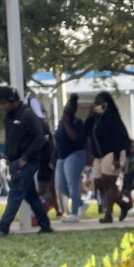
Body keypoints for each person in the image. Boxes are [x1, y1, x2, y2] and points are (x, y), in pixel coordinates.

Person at [0, 85, 53, 236]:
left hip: (27, 161)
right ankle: (45, 224)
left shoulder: (27, 115)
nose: (2, 106)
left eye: (4, 103)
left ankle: (3, 227)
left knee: (15, 194)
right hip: (15, 161)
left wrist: (26, 157)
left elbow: (39, 139)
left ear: (12, 100)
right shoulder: (9, 117)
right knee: (30, 195)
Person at [89, 91, 129, 223]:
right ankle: (123, 204)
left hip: (111, 152)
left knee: (109, 183)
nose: (96, 105)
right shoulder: (96, 119)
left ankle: (109, 214)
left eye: (98, 103)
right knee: (99, 183)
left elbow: (118, 137)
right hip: (98, 155)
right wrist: (91, 116)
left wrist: (116, 157)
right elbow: (86, 132)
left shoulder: (112, 117)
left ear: (105, 104)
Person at [54, 92, 89, 220]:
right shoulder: (61, 123)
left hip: (75, 154)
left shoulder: (78, 122)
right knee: (60, 185)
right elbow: (57, 140)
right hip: (61, 157)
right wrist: (54, 156)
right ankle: (80, 203)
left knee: (72, 183)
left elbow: (75, 138)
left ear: (74, 110)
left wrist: (68, 123)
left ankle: (74, 213)